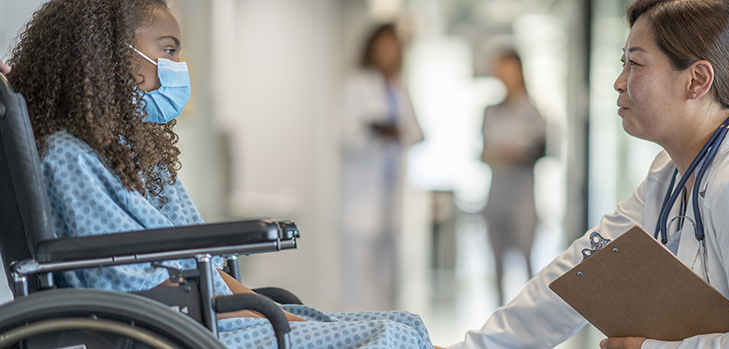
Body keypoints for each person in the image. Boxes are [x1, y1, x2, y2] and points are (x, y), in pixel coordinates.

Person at [440, 0, 729, 348]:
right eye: (622, 62)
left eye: (636, 65)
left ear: (697, 80)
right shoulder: (671, 173)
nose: (618, 82)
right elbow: (582, 271)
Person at [6, 1, 432, 348]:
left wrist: (272, 311)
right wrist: (260, 311)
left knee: (405, 324)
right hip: (170, 322)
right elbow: (135, 281)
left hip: (198, 310)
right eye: (169, 50)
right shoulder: (68, 156)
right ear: (109, 56)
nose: (179, 66)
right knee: (390, 335)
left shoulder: (128, 155)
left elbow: (193, 256)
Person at [340, 23, 423, 311]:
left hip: (391, 198)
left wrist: (394, 131)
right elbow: (346, 135)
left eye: (393, 47)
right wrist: (376, 131)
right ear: (372, 48)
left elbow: (415, 131)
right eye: (383, 46)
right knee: (359, 283)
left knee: (388, 280)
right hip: (361, 200)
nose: (388, 53)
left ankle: (387, 335)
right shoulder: (356, 84)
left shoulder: (398, 87)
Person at [480, 51, 546, 306]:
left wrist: (510, 155)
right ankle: (497, 319)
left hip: (522, 200)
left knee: (527, 260)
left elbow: (538, 151)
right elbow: (484, 153)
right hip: (495, 196)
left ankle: (532, 316)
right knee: (496, 263)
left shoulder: (533, 112)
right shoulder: (490, 112)